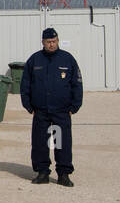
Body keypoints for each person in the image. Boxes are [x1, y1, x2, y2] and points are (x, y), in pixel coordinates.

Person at [19, 27, 83, 186]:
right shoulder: (35, 60)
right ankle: (42, 173)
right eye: (48, 42)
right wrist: (28, 104)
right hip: (41, 111)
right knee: (40, 142)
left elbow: (77, 83)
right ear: (43, 42)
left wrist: (75, 105)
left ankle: (63, 174)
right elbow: (25, 84)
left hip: (61, 111)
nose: (52, 45)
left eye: (54, 41)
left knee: (62, 143)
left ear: (58, 41)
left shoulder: (67, 59)